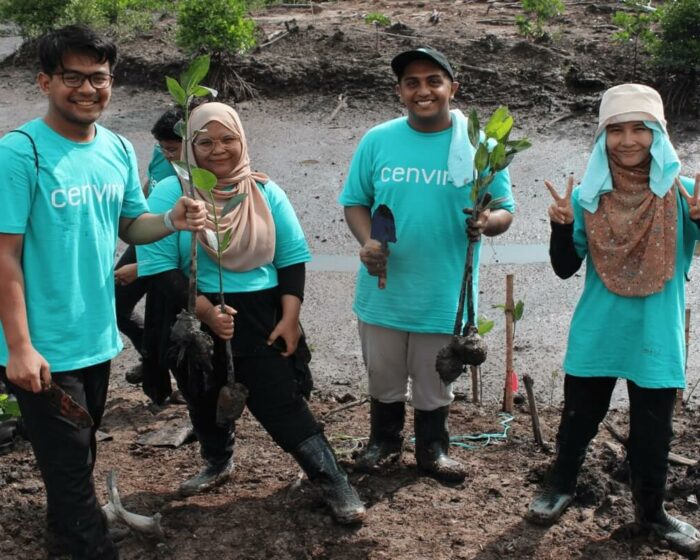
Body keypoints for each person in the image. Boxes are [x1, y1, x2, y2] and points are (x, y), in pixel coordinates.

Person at [0, 25, 206, 560]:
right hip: (44, 345)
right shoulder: (18, 154)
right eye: (74, 77)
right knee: (69, 471)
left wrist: (171, 219)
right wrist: (19, 347)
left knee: (78, 457)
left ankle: (65, 537)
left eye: (100, 78)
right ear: (45, 81)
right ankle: (87, 545)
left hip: (95, 336)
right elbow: (4, 256)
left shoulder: (116, 148)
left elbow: (131, 227)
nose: (89, 89)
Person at [137, 102, 366, 525]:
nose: (218, 150)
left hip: (262, 314)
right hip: (192, 314)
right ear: (190, 146)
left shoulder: (264, 191)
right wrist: (205, 311)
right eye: (205, 142)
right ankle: (217, 460)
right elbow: (157, 266)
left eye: (228, 139)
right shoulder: (172, 193)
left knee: (281, 400)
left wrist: (290, 317)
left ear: (242, 141)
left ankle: (333, 479)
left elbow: (292, 257)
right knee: (202, 394)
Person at [525, 83, 700, 556]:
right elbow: (565, 268)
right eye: (615, 130)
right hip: (598, 330)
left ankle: (652, 514)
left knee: (653, 431)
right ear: (601, 137)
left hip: (656, 333)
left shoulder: (683, 195)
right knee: (579, 418)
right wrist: (560, 226)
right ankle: (559, 486)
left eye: (640, 129)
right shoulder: (587, 196)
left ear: (658, 134)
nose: (627, 140)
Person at [339, 47, 515, 482]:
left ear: (452, 88)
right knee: (383, 375)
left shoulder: (482, 145)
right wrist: (367, 241)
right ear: (399, 92)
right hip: (385, 286)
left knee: (435, 380)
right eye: (412, 82)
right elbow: (355, 202)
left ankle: (433, 451)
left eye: (434, 81)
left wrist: (486, 220)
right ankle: (383, 442)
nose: (424, 91)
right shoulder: (377, 140)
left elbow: (506, 211)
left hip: (445, 292)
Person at [114, 108, 183, 401]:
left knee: (165, 325)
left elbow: (186, 241)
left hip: (168, 253)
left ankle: (170, 389)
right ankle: (151, 360)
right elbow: (149, 186)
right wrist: (136, 215)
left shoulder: (196, 174)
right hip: (149, 235)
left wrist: (142, 267)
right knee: (116, 304)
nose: (166, 154)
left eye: (172, 149)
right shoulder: (162, 155)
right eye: (162, 147)